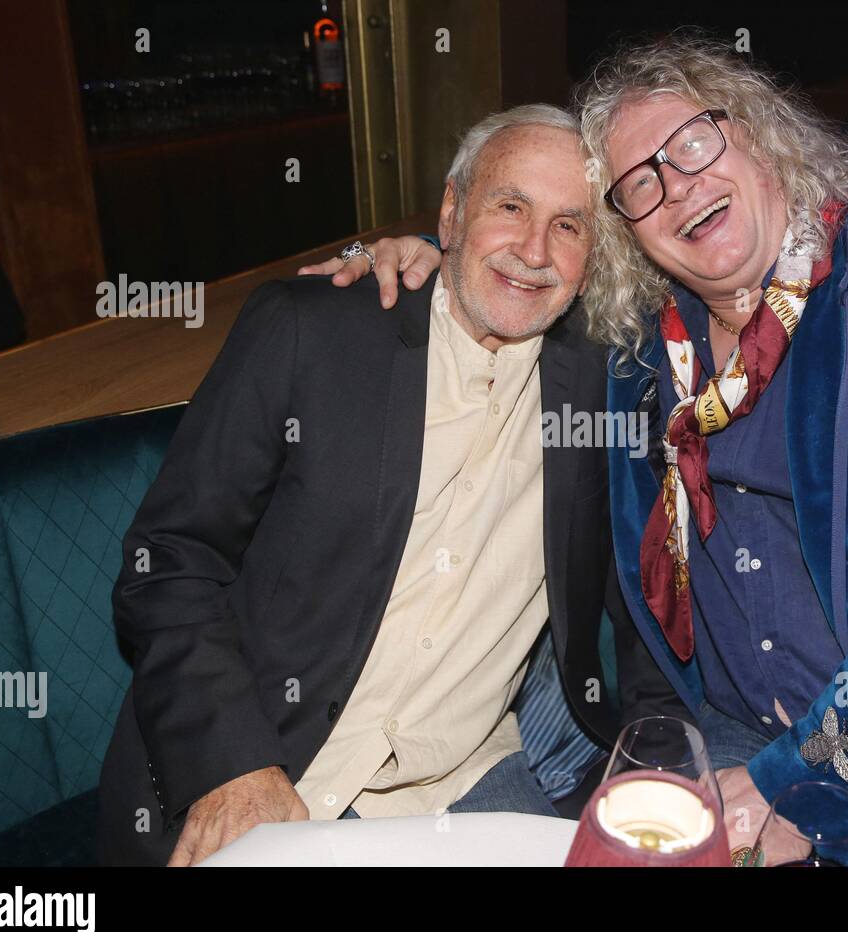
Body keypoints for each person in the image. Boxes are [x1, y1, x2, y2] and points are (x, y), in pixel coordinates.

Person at [305, 34, 848, 867]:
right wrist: (422, 264)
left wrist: (803, 779)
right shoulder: (634, 349)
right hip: (726, 740)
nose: (677, 189)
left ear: (764, 135)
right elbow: (517, 270)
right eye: (639, 184)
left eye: (693, 143)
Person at [98, 104, 655, 866]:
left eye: (570, 225)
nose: (533, 250)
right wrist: (233, 765)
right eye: (510, 206)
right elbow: (166, 560)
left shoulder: (607, 379)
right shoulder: (311, 333)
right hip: (274, 765)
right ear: (453, 213)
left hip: (465, 774)